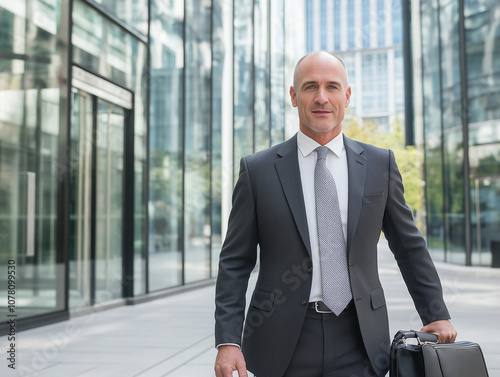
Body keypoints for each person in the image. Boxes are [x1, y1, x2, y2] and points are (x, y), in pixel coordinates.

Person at [214, 51, 457, 377]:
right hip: (279, 340)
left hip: (360, 339)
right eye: (310, 86)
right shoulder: (257, 171)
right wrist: (228, 341)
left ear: (347, 95)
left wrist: (436, 311)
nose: (321, 97)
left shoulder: (379, 164)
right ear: (293, 96)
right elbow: (234, 261)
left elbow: (408, 246)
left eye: (332, 86)